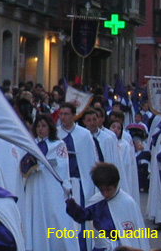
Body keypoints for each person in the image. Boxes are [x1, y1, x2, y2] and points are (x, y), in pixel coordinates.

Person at [21, 114, 77, 251]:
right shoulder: (30, 144)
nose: (41, 129)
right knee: (36, 216)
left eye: (44, 126)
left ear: (50, 127)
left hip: (51, 187)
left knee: (54, 216)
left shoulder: (58, 144)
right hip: (34, 185)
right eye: (38, 126)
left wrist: (41, 166)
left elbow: (62, 165)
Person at [65, 163, 150, 251]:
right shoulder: (97, 202)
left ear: (116, 184)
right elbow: (82, 216)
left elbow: (137, 234)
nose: (105, 194)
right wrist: (70, 202)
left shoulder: (127, 203)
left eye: (108, 189)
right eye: (102, 190)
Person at [58, 101, 98, 251]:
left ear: (74, 115)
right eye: (61, 114)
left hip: (80, 184)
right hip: (62, 184)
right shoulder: (56, 134)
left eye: (66, 114)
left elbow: (90, 159)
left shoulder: (84, 135)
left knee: (79, 218)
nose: (63, 117)